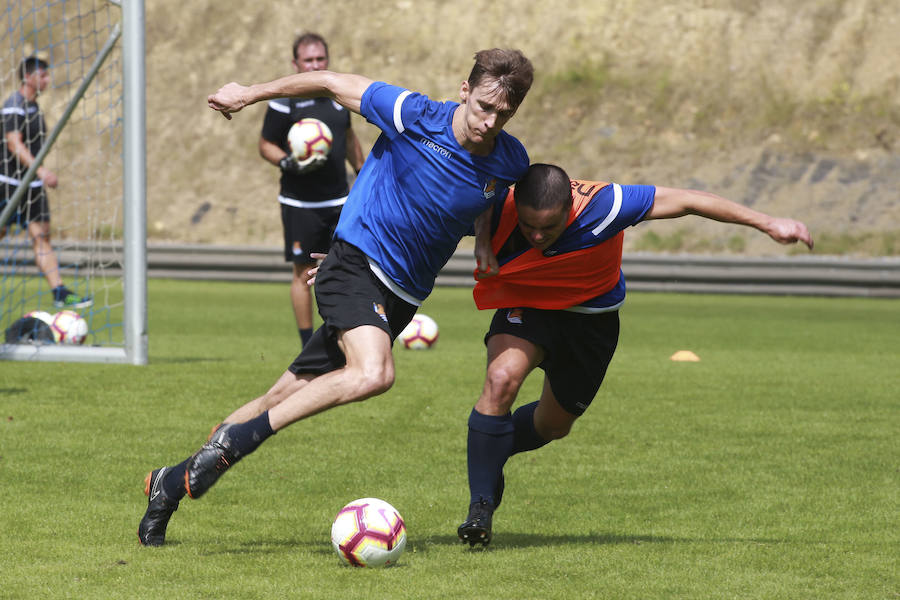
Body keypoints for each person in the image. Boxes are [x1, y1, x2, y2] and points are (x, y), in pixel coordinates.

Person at [138, 48, 534, 546]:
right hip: (355, 268)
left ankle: (168, 484)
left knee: (276, 396)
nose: (489, 121)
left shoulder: (510, 158)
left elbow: (489, 196)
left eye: (503, 113)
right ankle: (241, 440)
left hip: (400, 297)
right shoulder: (412, 114)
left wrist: (481, 238)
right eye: (483, 106)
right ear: (464, 90)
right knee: (375, 373)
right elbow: (327, 80)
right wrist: (249, 93)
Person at [457, 163, 814, 546]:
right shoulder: (501, 206)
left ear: (569, 209)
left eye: (549, 226)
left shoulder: (605, 205)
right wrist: (481, 236)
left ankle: (490, 447)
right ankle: (480, 508)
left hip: (591, 323)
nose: (538, 235)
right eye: (530, 227)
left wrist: (769, 223)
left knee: (553, 426)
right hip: (529, 305)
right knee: (501, 380)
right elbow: (436, 210)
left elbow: (690, 200)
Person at [260, 33, 365, 346]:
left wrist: (362, 173)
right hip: (300, 202)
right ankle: (307, 343)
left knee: (345, 269)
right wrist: (288, 162)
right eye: (309, 60)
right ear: (296, 64)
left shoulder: (339, 95)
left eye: (320, 59)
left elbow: (347, 137)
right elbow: (266, 145)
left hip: (339, 198)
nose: (316, 65)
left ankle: (341, 335)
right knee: (304, 273)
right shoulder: (285, 101)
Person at [1, 56, 92, 309]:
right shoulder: (13, 104)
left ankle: (60, 292)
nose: (47, 80)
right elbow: (13, 143)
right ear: (28, 77)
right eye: (42, 76)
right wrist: (40, 171)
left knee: (42, 237)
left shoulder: (34, 106)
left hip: (32, 187)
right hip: (8, 183)